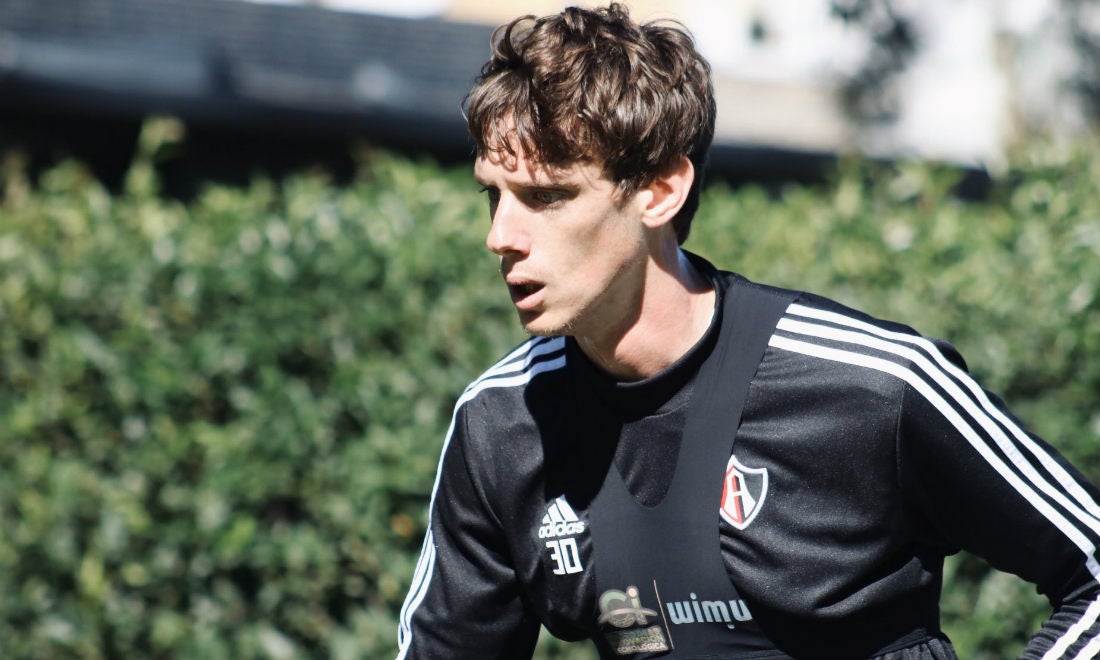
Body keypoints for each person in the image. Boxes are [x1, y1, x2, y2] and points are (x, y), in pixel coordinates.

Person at [395, 4, 1100, 659]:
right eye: (495, 195)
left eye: (548, 196)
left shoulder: (874, 385)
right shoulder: (502, 425)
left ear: (660, 190)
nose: (500, 236)